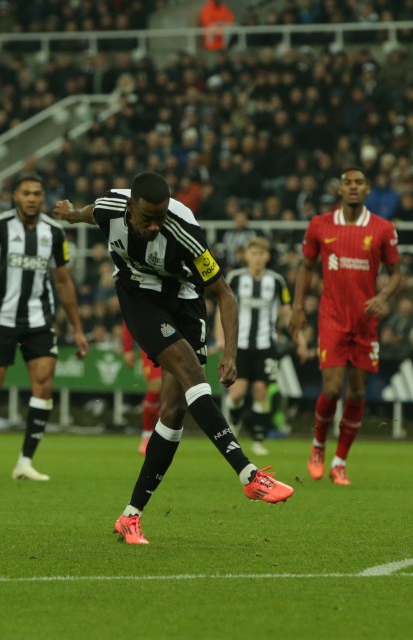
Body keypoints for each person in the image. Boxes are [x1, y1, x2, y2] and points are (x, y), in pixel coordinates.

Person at [54, 171, 293, 544]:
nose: (153, 226)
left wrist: (230, 352)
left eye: (160, 218)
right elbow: (89, 212)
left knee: (173, 413)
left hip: (184, 300)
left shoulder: (182, 233)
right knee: (192, 374)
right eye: (147, 218)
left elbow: (225, 295)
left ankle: (130, 517)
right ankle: (248, 474)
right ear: (130, 207)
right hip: (140, 298)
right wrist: (70, 214)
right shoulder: (109, 208)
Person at [0, 172, 89, 481]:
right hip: (1, 317)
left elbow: (63, 281)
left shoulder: (54, 233)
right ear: (15, 196)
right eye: (26, 193)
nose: (31, 198)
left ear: (43, 197)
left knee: (43, 383)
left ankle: (24, 462)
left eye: (37, 193)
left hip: (40, 320)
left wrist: (78, 329)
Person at [289, 167, 401, 485]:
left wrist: (384, 295)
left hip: (366, 321)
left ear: (368, 189)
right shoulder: (320, 225)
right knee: (333, 388)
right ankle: (318, 445)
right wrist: (298, 307)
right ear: (340, 189)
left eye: (360, 183)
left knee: (356, 392)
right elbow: (307, 267)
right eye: (348, 183)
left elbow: (396, 275)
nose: (353, 187)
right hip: (333, 318)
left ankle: (340, 462)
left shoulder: (382, 229)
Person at [216, 236, 291, 456]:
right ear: (246, 255)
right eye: (254, 253)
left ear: (267, 256)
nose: (257, 258)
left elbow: (285, 310)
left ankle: (258, 439)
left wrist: (295, 327)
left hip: (266, 344)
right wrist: (221, 337)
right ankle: (236, 420)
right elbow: (224, 309)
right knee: (237, 393)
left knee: (261, 391)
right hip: (239, 345)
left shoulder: (277, 281)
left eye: (261, 254)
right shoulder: (235, 278)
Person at [121, 322, 162, 455]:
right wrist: (127, 348)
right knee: (157, 383)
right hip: (149, 344)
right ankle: (147, 435)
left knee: (170, 390)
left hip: (173, 339)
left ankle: (164, 436)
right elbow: (129, 317)